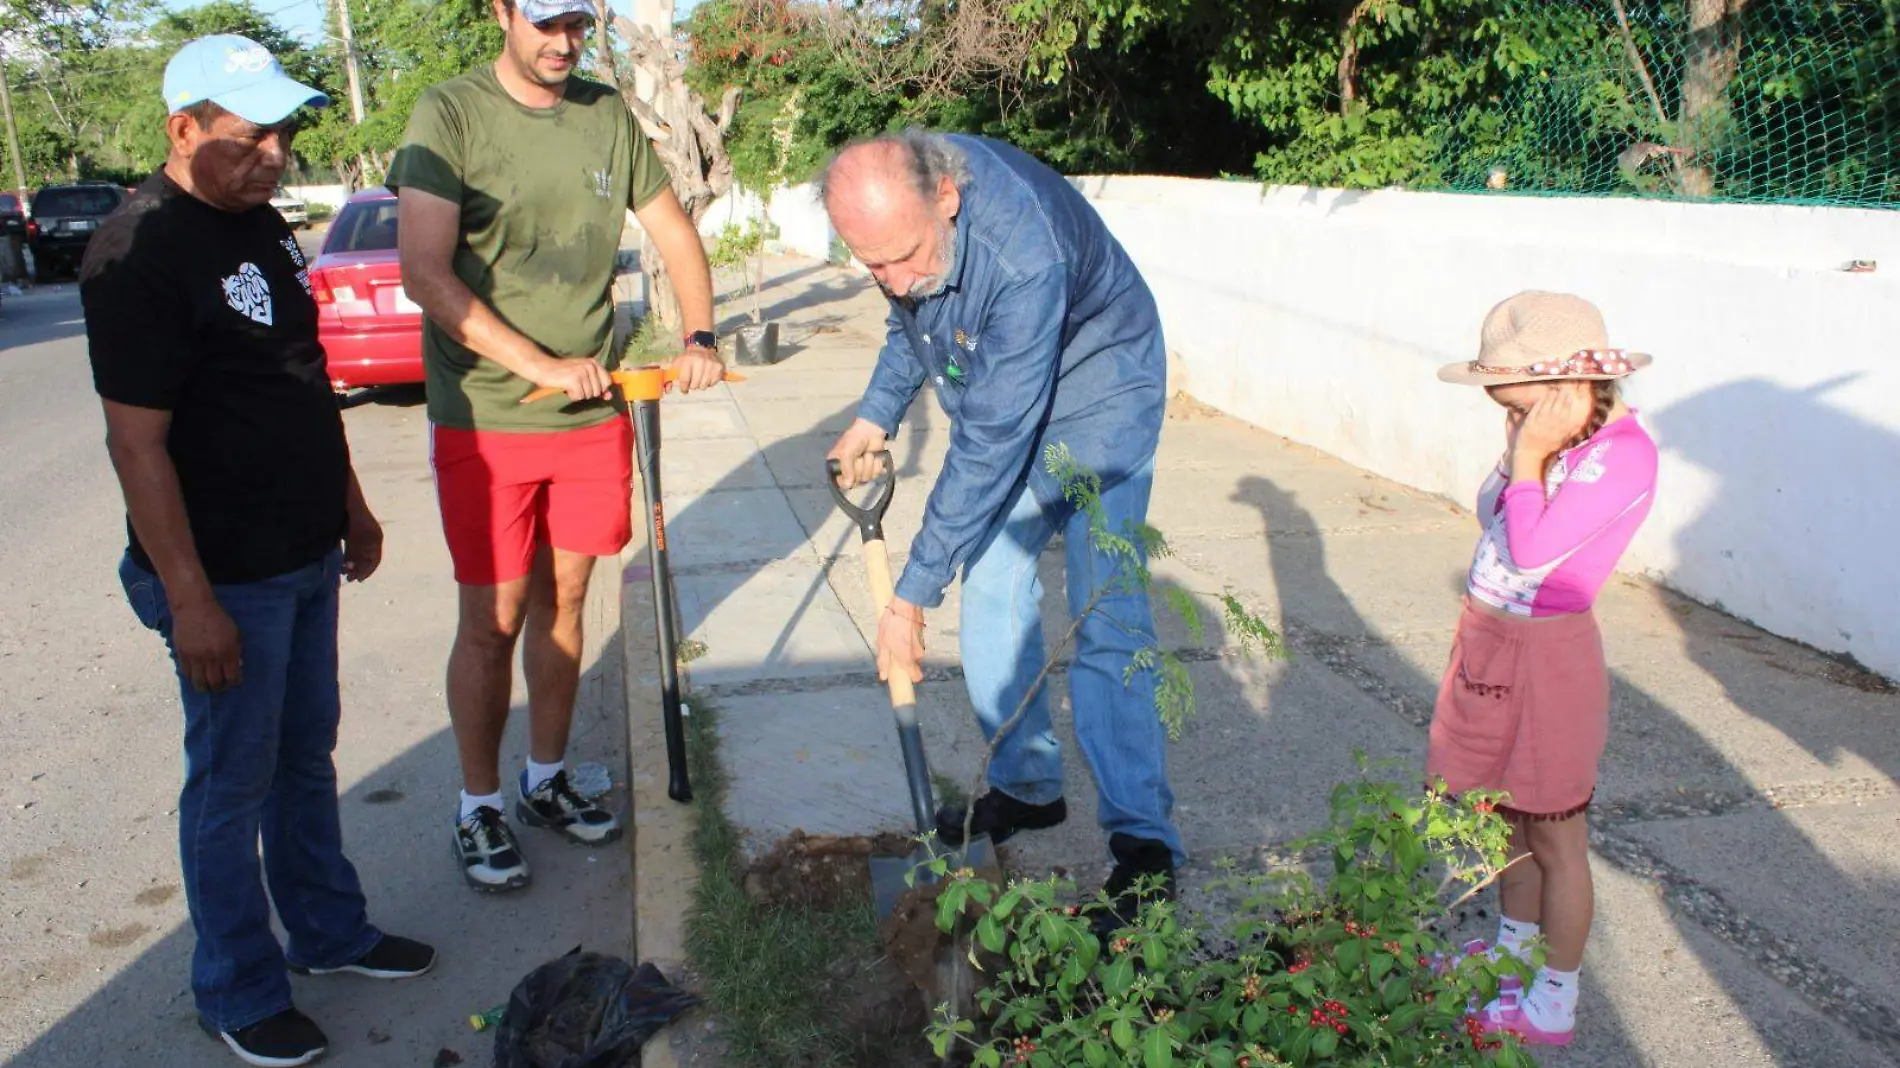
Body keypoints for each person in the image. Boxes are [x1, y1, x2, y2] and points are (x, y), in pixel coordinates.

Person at [81, 34, 436, 1068]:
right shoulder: (136, 252)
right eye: (249, 136)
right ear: (181, 129)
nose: (275, 152)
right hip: (222, 573)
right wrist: (191, 600)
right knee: (230, 781)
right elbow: (136, 443)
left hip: (302, 551)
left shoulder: (270, 231)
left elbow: (299, 378)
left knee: (302, 758)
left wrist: (352, 507)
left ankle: (328, 933)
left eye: (284, 131)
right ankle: (235, 987)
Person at [387, 0, 723, 893]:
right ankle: (479, 803)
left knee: (566, 602)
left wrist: (698, 338)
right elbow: (423, 270)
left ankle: (544, 778)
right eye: (543, 22)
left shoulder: (605, 113)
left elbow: (674, 231)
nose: (562, 42)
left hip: (587, 418)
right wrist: (537, 360)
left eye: (576, 23)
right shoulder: (448, 112)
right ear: (500, 12)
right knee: (491, 622)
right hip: (488, 415)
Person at [818, 130, 1181, 927]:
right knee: (988, 586)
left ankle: (1146, 853)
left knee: (1103, 614)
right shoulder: (902, 225)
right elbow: (913, 325)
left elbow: (989, 443)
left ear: (945, 196)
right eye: (874, 266)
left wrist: (909, 596)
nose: (896, 281)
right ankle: (1028, 786)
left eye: (905, 257)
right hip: (1014, 390)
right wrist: (876, 415)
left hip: (1102, 396)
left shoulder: (1024, 255)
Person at [1426, 290, 1660, 1047]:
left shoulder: (1622, 455)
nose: (1513, 417)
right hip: (1493, 640)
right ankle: (1515, 952)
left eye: (1517, 402)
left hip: (1550, 659)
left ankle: (1554, 997)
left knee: (1557, 837)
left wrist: (1531, 456)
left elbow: (1531, 552)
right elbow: (1494, 514)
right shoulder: (1551, 441)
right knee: (1505, 822)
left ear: (1564, 386)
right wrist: (1516, 455)